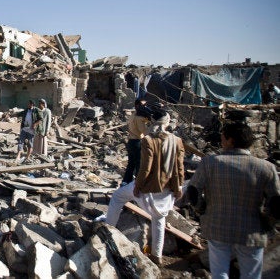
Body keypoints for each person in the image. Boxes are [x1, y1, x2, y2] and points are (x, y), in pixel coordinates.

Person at [187, 123, 280, 278]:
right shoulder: (266, 168)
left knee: (219, 272)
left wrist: (202, 210)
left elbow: (193, 192)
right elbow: (276, 202)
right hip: (252, 230)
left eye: (223, 137)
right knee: (251, 274)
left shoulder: (210, 163)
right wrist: (267, 223)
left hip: (218, 226)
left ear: (230, 140)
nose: (221, 140)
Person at [105, 110, 184, 265]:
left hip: (148, 188)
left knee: (117, 197)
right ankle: (157, 255)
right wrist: (178, 187)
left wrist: (138, 186)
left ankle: (108, 232)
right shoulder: (177, 141)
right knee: (159, 219)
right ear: (167, 123)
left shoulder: (148, 140)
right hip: (168, 189)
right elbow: (180, 167)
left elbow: (145, 168)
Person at [121, 98, 150, 185]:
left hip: (131, 141)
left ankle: (125, 182)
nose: (145, 107)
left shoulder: (133, 115)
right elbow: (145, 132)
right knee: (139, 164)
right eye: (143, 105)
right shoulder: (139, 118)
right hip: (137, 142)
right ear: (137, 106)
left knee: (131, 164)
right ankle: (138, 184)